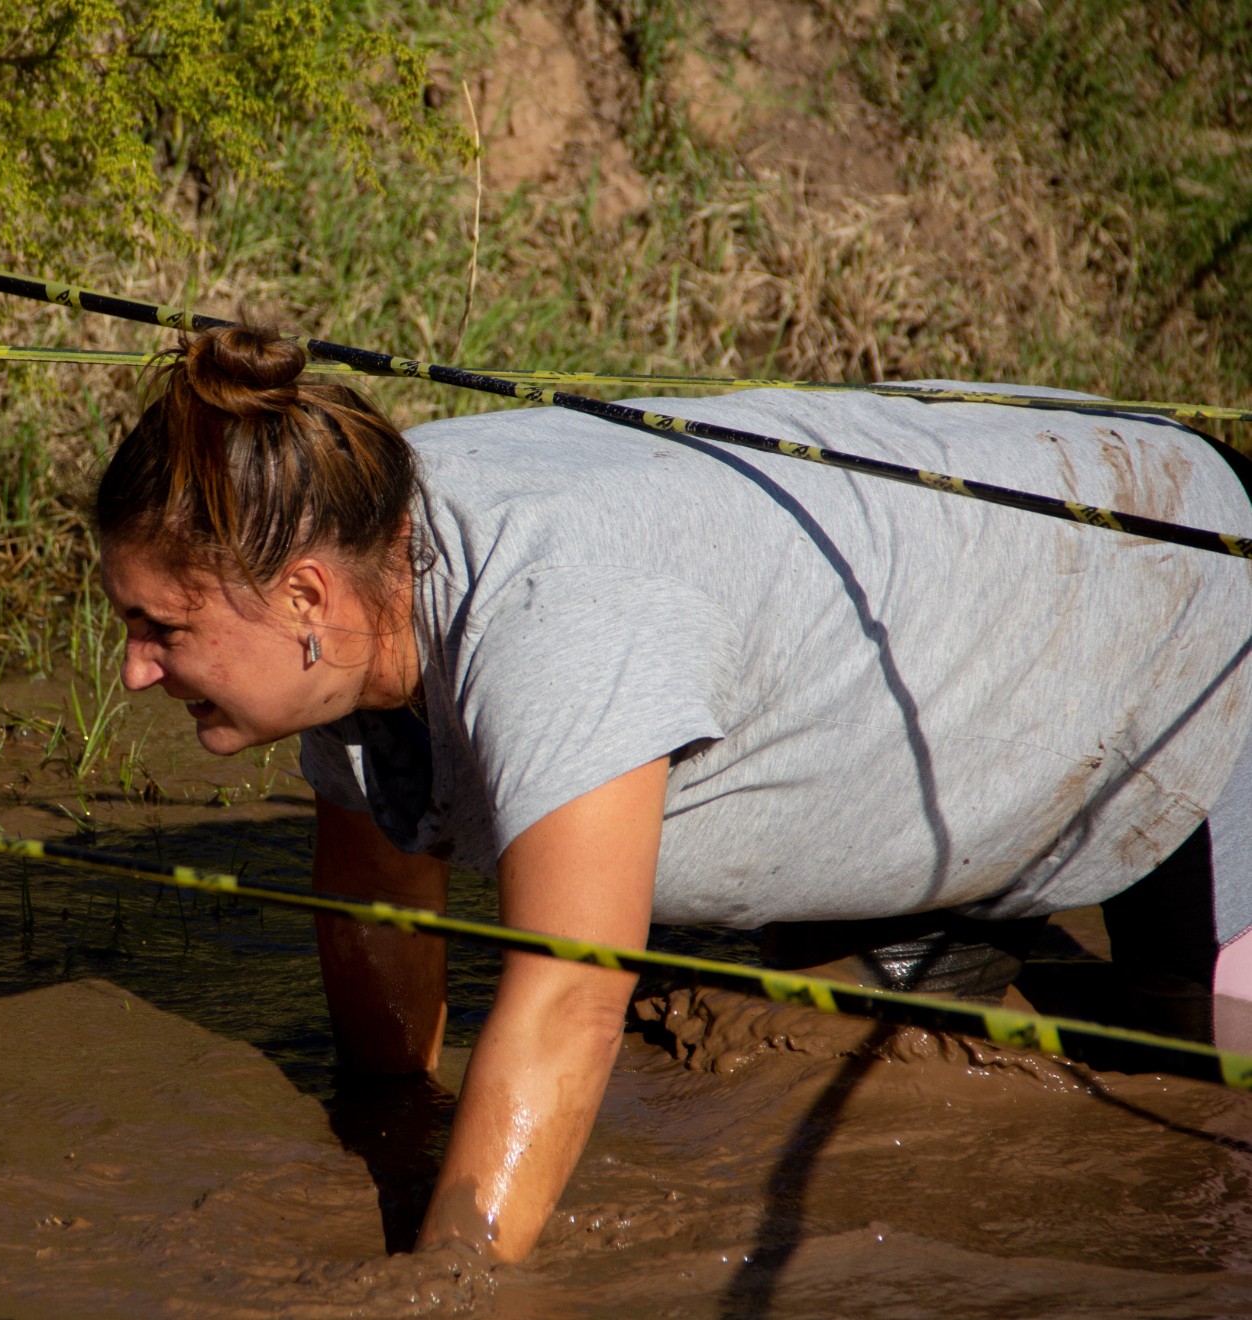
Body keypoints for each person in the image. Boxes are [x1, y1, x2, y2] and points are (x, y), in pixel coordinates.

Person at [93, 324, 1252, 1263]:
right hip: (918, 628)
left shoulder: (554, 619)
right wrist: (391, 1129)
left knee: (1208, 1073)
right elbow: (379, 898)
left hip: (1171, 586)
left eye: (163, 627)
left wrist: (451, 1287)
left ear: (303, 598)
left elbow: (567, 1005)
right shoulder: (353, 555)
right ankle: (940, 929)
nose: (136, 667)